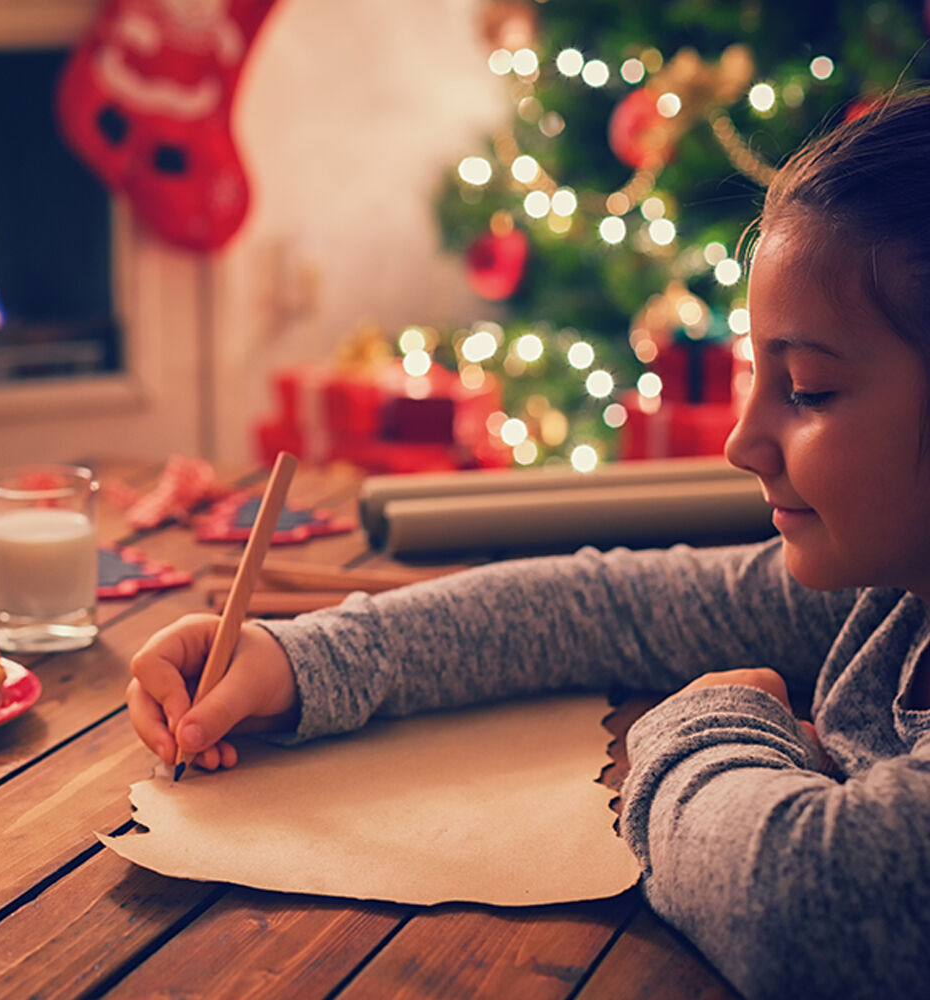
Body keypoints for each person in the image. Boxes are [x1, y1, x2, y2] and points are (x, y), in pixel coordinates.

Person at [127, 90, 930, 1000]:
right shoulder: (894, 591)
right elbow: (607, 605)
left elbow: (800, 908)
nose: (740, 444)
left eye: (810, 390)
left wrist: (714, 721)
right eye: (757, 379)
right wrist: (302, 659)